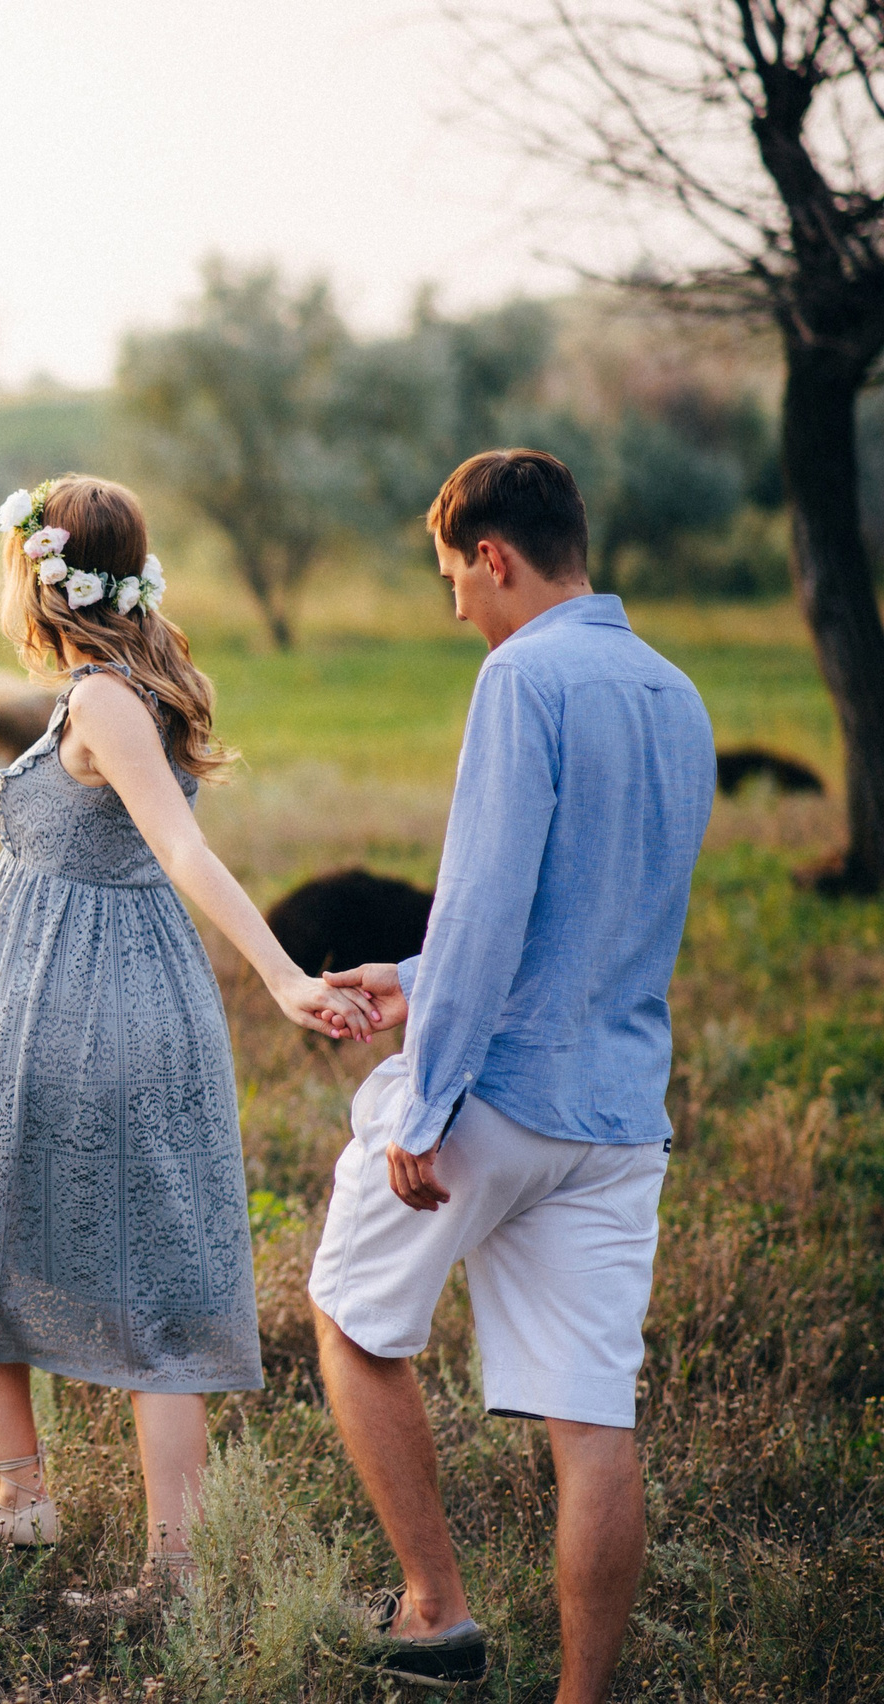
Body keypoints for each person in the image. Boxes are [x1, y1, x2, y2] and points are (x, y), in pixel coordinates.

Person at [0, 475, 378, 1586]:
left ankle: (168, 1569)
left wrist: (287, 978)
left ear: (34, 570)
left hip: (77, 1005)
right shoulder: (122, 685)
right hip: (65, 991)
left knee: (133, 1276)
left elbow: (183, 853)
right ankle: (21, 1497)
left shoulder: (104, 699)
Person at [311, 449, 715, 1695]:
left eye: (451, 579)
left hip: (496, 1098)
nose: (454, 609)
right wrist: (412, 974)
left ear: (493, 556)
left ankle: (434, 1612)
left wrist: (422, 1103)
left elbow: (489, 902)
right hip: (616, 1119)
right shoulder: (676, 694)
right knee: (594, 1424)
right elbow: (591, 916)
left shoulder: (519, 677)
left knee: (351, 1318)